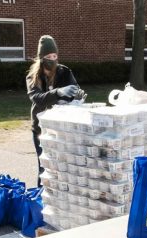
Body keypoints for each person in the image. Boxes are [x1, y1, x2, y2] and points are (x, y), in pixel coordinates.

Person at [26, 35, 86, 185]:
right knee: (44, 166)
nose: (52, 59)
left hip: (61, 128)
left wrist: (77, 96)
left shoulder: (64, 72)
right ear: (41, 58)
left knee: (62, 166)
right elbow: (37, 98)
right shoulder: (33, 77)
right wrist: (58, 92)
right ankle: (40, 197)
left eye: (55, 55)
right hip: (41, 128)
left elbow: (73, 91)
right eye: (48, 56)